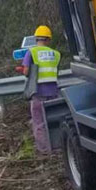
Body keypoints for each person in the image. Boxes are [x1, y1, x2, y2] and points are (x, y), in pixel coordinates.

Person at [18, 25, 61, 154]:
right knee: (55, 121)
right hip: (54, 93)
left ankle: (45, 150)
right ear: (48, 39)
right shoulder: (56, 54)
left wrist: (24, 70)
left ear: (36, 38)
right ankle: (58, 147)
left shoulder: (31, 52)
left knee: (39, 123)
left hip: (38, 93)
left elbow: (26, 72)